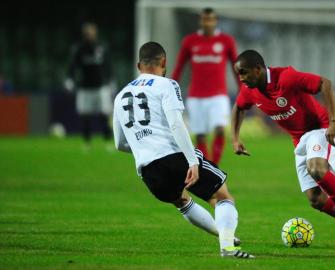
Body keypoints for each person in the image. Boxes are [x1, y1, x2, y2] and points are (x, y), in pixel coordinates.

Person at [231, 50, 335, 247]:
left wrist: (333, 122)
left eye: (244, 72)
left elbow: (326, 84)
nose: (241, 78)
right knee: (316, 199)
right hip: (299, 141)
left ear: (258, 69)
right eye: (239, 74)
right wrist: (235, 138)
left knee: (316, 169)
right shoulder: (249, 91)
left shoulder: (287, 78)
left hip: (321, 129)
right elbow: (238, 107)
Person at [113, 41, 254, 259]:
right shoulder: (166, 85)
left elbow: (120, 144)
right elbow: (176, 124)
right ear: (164, 62)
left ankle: (224, 236)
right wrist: (192, 161)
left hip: (147, 169)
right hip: (174, 156)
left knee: (182, 201)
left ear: (138, 65)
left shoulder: (121, 95)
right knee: (223, 196)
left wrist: (146, 144)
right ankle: (227, 248)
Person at [172, 8, 238, 165]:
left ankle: (214, 165)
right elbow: (179, 67)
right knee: (200, 135)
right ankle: (207, 167)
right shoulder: (190, 41)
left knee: (220, 129)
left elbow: (237, 67)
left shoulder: (226, 41)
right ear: (200, 21)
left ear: (215, 21)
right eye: (204, 20)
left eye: (210, 20)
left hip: (219, 95)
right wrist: (170, 87)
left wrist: (244, 90)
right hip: (196, 96)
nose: (207, 23)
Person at [65, 22, 113, 149]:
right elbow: (72, 65)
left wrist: (111, 80)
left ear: (95, 33)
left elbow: (108, 65)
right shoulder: (79, 49)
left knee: (105, 114)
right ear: (83, 34)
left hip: (101, 86)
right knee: (85, 116)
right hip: (85, 87)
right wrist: (69, 79)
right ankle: (87, 143)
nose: (89, 35)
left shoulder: (102, 47)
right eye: (87, 33)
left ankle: (108, 141)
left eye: (91, 32)